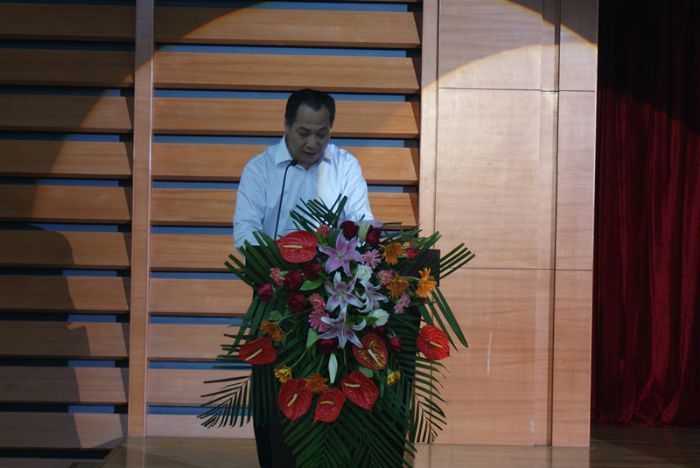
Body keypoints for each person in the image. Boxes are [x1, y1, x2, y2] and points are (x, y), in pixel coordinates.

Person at [233, 88, 373, 248]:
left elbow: (362, 221)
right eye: (304, 133)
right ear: (287, 125)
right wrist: (273, 257)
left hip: (332, 263)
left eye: (321, 134)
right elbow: (246, 231)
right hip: (274, 262)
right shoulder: (259, 169)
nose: (312, 143)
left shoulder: (346, 166)